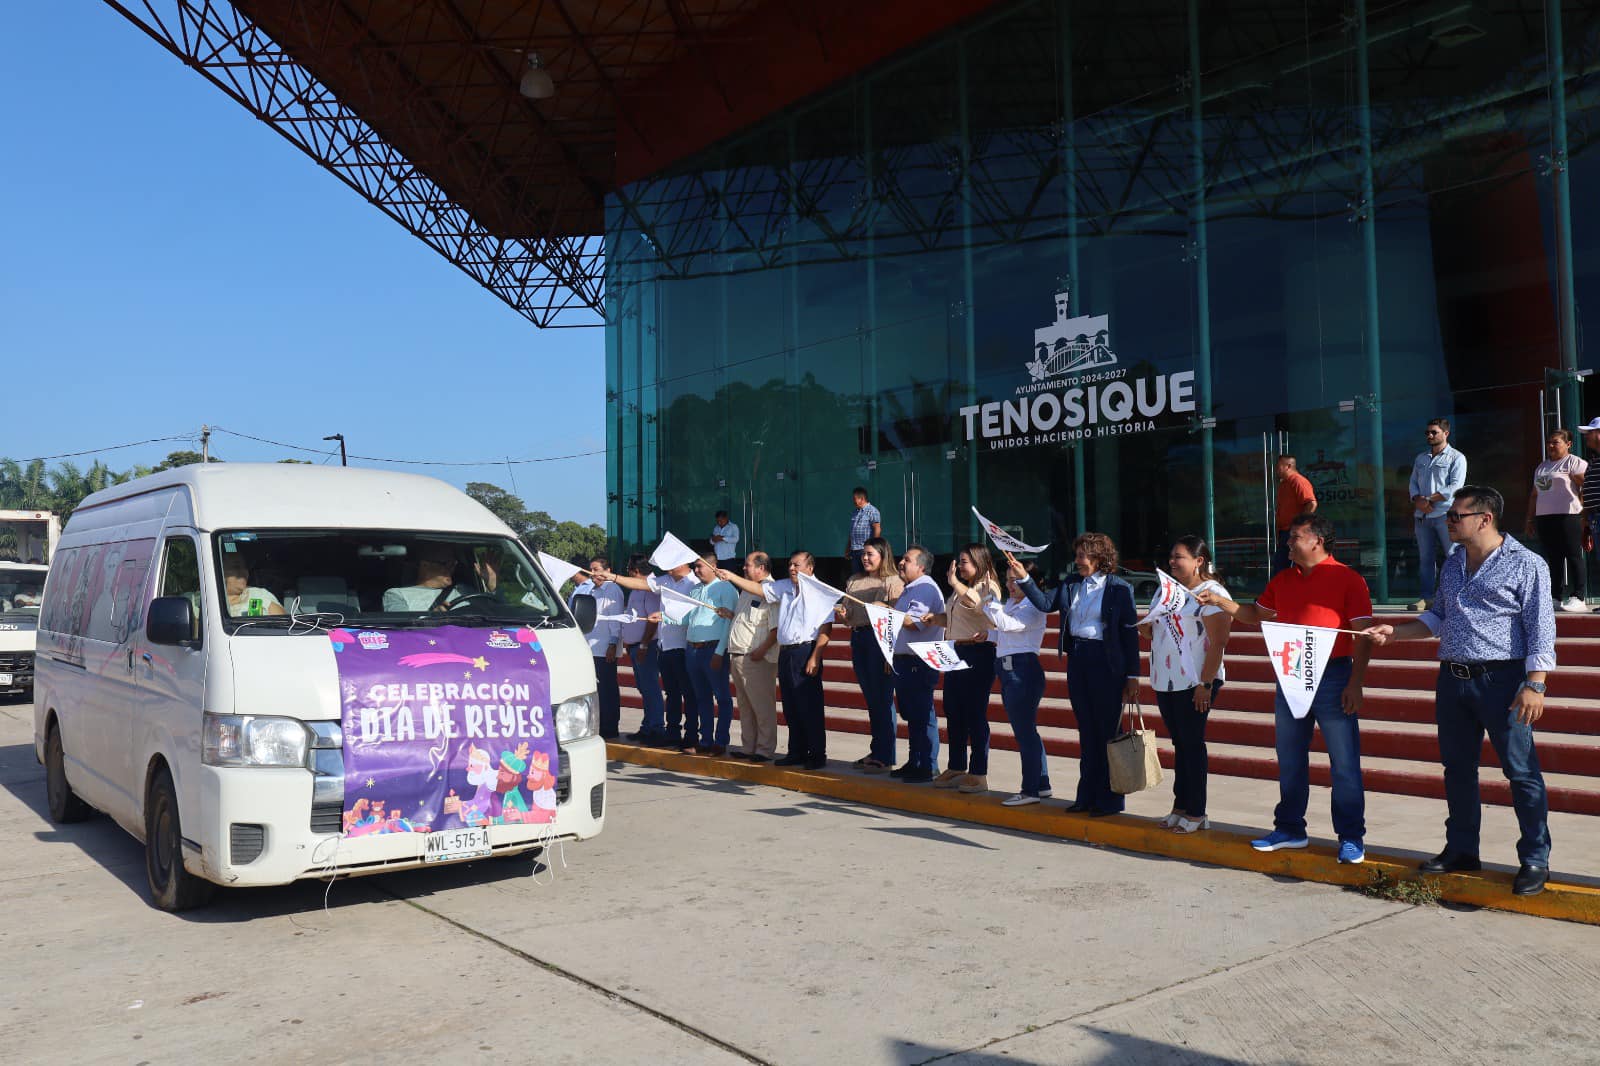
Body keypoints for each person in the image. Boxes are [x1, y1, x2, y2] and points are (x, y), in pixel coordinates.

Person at [1362, 485, 1555, 896]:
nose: (1449, 522)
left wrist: (1535, 685)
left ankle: (1535, 858)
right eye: (1450, 516)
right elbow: (1436, 617)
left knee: (1520, 773)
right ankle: (1462, 849)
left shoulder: (1527, 564)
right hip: (1453, 679)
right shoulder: (1452, 562)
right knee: (1458, 769)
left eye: (1457, 516)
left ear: (1484, 519)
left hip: (1503, 681)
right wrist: (1393, 634)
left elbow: (1541, 629)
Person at [1197, 513, 1375, 863]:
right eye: (1290, 537)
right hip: (1291, 674)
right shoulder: (1283, 579)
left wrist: (1356, 682)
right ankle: (1291, 828)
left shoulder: (1347, 578)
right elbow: (1254, 614)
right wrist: (1221, 602)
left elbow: (1364, 634)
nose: (1289, 543)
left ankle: (1351, 836)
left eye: (1295, 537)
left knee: (1343, 763)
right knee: (1290, 757)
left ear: (1317, 541)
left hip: (1334, 675)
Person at [1018, 533, 1140, 815]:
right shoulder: (1072, 584)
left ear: (1099, 557)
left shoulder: (1119, 588)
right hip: (1079, 660)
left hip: (1106, 662)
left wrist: (1133, 675)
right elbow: (1045, 604)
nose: (1077, 561)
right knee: (1086, 732)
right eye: (1077, 555)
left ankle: (1109, 799)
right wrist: (1024, 577)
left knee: (1107, 732)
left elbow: (1129, 635)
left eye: (1082, 556)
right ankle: (1086, 795)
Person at [1137, 536, 1231, 834]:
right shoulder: (1167, 590)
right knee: (1180, 744)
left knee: (1192, 744)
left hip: (1196, 681)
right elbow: (1151, 633)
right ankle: (1180, 805)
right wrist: (1146, 627)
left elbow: (1219, 642)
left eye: (1179, 557)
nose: (1173, 562)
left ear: (1198, 561)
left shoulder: (1212, 593)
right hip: (1166, 679)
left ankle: (1197, 812)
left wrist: (1205, 683)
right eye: (1172, 557)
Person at [720, 552, 832, 769]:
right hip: (787, 652)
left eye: (797, 565)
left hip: (806, 651)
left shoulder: (821, 592)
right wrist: (732, 577)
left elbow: (826, 629)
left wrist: (815, 657)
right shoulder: (785, 587)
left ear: (810, 568)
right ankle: (796, 751)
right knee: (791, 706)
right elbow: (760, 589)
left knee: (810, 707)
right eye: (790, 564)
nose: (792, 568)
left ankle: (817, 754)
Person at [925, 544, 1000, 793]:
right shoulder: (960, 591)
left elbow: (980, 606)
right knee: (953, 709)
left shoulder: (989, 585)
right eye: (959, 560)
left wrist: (954, 582)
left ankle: (978, 772)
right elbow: (958, 617)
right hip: (956, 650)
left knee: (975, 712)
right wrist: (936, 619)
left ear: (979, 562)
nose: (959, 565)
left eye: (965, 561)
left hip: (979, 652)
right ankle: (956, 766)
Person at [613, 560, 699, 748]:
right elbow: (641, 583)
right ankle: (672, 732)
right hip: (665, 645)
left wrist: (645, 644)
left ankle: (691, 735)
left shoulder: (695, 583)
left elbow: (693, 613)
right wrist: (614, 577)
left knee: (688, 694)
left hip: (683, 646)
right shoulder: (665, 581)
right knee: (672, 693)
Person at [987, 557, 1051, 805]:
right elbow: (1005, 631)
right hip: (1008, 668)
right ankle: (1041, 784)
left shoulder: (1033, 607)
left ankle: (1030, 789)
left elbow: (1010, 625)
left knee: (1025, 733)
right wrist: (989, 634)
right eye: (1007, 581)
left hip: (1022, 671)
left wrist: (991, 601)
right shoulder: (1014, 604)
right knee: (1027, 731)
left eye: (1015, 581)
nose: (1010, 586)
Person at [837, 536, 903, 773]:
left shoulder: (893, 582)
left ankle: (885, 756)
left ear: (883, 556)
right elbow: (849, 614)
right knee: (871, 700)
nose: (865, 558)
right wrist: (844, 616)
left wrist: (889, 654)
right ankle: (877, 750)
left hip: (880, 641)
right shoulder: (854, 580)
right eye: (863, 554)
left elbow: (896, 619)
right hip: (859, 638)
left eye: (870, 554)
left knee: (883, 700)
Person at [890, 546, 945, 783]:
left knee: (922, 714)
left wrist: (886, 612)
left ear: (921, 567)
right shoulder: (911, 588)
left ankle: (928, 765)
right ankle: (915, 761)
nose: (901, 563)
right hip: (905, 660)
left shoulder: (924, 588)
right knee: (912, 714)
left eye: (907, 560)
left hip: (919, 661)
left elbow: (914, 624)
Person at [1525, 429, 1589, 613]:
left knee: (1573, 556)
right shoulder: (1542, 467)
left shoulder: (1575, 462)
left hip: (1569, 516)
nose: (1551, 446)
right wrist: (1529, 520)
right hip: (1545, 518)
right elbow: (1534, 495)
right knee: (1554, 558)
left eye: (1556, 442)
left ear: (1568, 444)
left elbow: (1587, 486)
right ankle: (1555, 596)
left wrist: (1584, 512)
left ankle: (1579, 596)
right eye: (1549, 442)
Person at [1408, 418, 1467, 610]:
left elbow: (1455, 486)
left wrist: (1429, 499)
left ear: (1446, 433)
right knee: (1426, 558)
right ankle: (1426, 598)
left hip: (1445, 515)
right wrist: (1418, 499)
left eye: (1434, 432)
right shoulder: (1421, 458)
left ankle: (1454, 597)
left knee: (1453, 556)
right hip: (1422, 516)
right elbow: (1413, 483)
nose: (1430, 436)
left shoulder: (1457, 457)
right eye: (1427, 433)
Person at [727, 551, 779, 762]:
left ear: (761, 568)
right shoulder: (747, 590)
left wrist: (762, 650)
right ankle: (749, 746)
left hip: (757, 657)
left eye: (748, 565)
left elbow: (775, 628)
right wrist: (729, 615)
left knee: (762, 706)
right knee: (746, 706)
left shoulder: (772, 590)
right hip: (738, 654)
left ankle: (764, 749)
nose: (744, 568)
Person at [683, 555, 738, 755]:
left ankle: (720, 741)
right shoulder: (695, 590)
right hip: (692, 648)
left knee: (722, 697)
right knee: (701, 697)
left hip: (712, 648)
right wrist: (663, 617)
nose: (696, 571)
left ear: (713, 566)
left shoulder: (726, 588)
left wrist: (719, 651)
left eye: (699, 566)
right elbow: (686, 618)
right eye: (694, 567)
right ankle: (705, 740)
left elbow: (728, 622)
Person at [570, 557, 623, 740]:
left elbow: (615, 618)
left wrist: (613, 643)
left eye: (597, 569)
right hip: (590, 646)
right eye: (591, 570)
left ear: (607, 570)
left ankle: (610, 726)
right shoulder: (592, 590)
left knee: (608, 689)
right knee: (597, 690)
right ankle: (599, 724)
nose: (593, 574)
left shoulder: (613, 590)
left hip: (604, 646)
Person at [619, 555, 666, 746]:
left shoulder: (651, 587)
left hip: (646, 646)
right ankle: (647, 726)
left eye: (629, 569)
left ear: (635, 571)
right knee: (644, 688)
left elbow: (652, 621)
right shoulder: (637, 587)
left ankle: (656, 728)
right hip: (635, 646)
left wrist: (644, 645)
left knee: (650, 687)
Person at [382, 542, 461, 612]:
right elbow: (401, 625)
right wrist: (431, 618)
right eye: (446, 564)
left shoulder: (463, 590)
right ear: (425, 565)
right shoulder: (397, 594)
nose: (452, 568)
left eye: (453, 563)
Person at [1273, 455, 1318, 575]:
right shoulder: (1284, 484)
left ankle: (1298, 592)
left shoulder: (1298, 481)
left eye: (1279, 467)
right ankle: (1284, 592)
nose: (1276, 470)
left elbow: (1311, 504)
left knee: (1294, 566)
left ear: (1288, 466)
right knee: (1281, 568)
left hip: (1294, 532)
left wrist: (1299, 526)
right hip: (1285, 532)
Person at [222, 553, 286, 617]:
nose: (244, 571)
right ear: (221, 571)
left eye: (245, 567)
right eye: (236, 567)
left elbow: (283, 623)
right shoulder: (214, 603)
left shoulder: (258, 594)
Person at [845, 487, 882, 574]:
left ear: (861, 499)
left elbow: (877, 528)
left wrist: (874, 546)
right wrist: (848, 548)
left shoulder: (872, 511)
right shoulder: (855, 512)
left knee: (867, 575)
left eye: (855, 499)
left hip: (865, 550)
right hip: (854, 550)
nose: (853, 501)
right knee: (857, 575)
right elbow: (852, 532)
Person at [1583, 417, 1600, 594]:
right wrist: (1586, 523)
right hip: (1595, 518)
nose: (1586, 436)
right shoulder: (1593, 461)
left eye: (1590, 432)